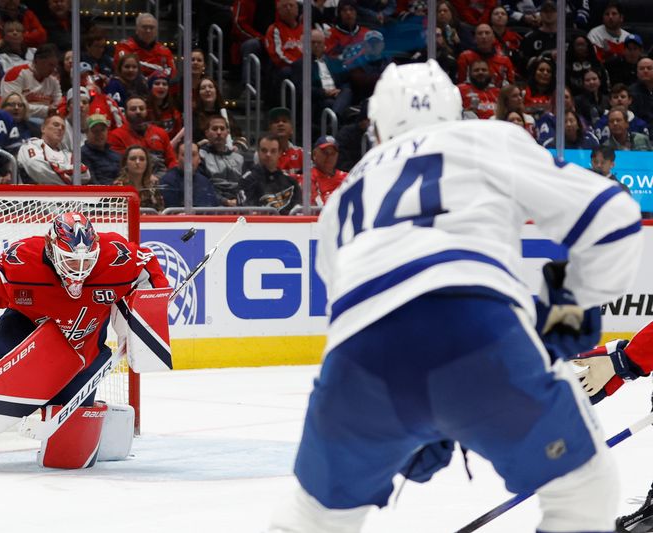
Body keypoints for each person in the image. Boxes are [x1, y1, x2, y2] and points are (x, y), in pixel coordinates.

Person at [267, 59, 643, 533]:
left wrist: (416, 418)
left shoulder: (343, 196)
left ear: (377, 127)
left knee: (311, 517)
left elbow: (363, 311)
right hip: (476, 330)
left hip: (355, 364)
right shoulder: (487, 139)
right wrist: (564, 313)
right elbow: (613, 218)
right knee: (582, 488)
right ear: (453, 109)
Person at [0, 211, 169, 470]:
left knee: (69, 460)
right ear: (51, 248)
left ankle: (93, 414)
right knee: (14, 377)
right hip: (25, 333)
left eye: (85, 262)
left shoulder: (117, 257)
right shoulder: (23, 259)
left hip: (83, 351)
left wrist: (148, 310)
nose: (79, 271)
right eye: (70, 261)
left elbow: (147, 265)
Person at [107, 95, 177, 177]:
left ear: (146, 111)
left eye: (141, 108)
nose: (138, 112)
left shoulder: (160, 132)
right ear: (125, 113)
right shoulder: (116, 136)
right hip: (132, 181)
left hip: (163, 180)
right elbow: (120, 167)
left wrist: (171, 178)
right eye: (133, 109)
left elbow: (171, 161)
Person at [18, 114, 90, 185]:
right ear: (43, 128)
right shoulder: (31, 145)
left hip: (64, 195)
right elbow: (39, 169)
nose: (60, 128)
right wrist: (68, 178)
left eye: (63, 127)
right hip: (34, 194)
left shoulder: (67, 154)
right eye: (56, 125)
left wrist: (55, 167)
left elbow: (85, 174)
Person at [238, 134, 302, 214]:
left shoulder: (291, 182)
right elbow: (247, 211)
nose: (268, 154)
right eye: (264, 150)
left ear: (280, 153)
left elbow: (298, 210)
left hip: (287, 225)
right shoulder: (247, 180)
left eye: (273, 151)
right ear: (258, 152)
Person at [1, 43, 62, 120]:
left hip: (47, 120)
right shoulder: (16, 73)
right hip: (20, 119)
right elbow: (11, 106)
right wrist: (46, 110)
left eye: (55, 66)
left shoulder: (53, 79)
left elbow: (59, 102)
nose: (53, 69)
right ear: (37, 61)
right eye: (50, 65)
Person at [113, 12, 176, 79]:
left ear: (156, 31)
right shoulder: (124, 47)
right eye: (144, 27)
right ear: (137, 30)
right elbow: (122, 70)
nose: (148, 30)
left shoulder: (164, 51)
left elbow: (171, 73)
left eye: (151, 28)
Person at [198, 115, 244, 206]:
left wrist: (239, 201)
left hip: (238, 204)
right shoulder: (200, 157)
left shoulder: (239, 158)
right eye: (214, 129)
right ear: (207, 133)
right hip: (212, 205)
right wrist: (224, 201)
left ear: (228, 132)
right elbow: (201, 186)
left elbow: (246, 185)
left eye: (222, 129)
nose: (219, 132)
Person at [160, 142, 222, 209]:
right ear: (177, 158)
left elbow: (214, 208)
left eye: (193, 155)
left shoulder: (205, 181)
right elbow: (172, 212)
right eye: (185, 155)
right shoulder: (168, 181)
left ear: (199, 159)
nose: (189, 159)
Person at [114, 144, 164, 211]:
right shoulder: (118, 187)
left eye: (142, 159)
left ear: (147, 163)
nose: (137, 162)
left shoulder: (153, 185)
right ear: (125, 163)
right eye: (133, 159)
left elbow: (160, 211)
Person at [81, 113, 121, 186]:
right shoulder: (81, 154)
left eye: (102, 130)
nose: (99, 134)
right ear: (86, 133)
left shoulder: (116, 155)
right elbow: (90, 182)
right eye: (95, 131)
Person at [308, 135, 346, 206]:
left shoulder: (347, 178)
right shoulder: (308, 178)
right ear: (314, 155)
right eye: (325, 152)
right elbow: (316, 207)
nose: (329, 157)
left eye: (333, 153)